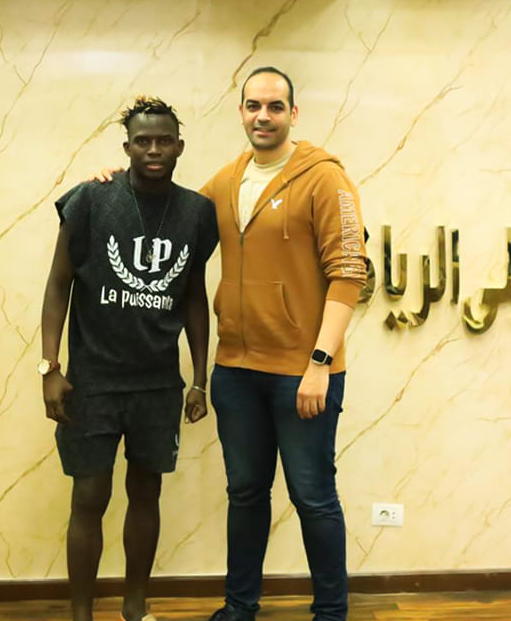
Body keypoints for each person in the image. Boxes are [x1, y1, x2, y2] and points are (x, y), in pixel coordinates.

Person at [41, 96, 218, 621]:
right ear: (127, 148)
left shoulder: (197, 212)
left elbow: (194, 297)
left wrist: (199, 379)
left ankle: (135, 606)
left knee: (146, 494)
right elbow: (57, 285)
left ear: (180, 146)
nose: (154, 149)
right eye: (143, 141)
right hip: (92, 382)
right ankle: (81, 613)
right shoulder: (91, 199)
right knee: (88, 497)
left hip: (157, 385)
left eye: (164, 140)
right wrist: (50, 368)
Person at [203, 67, 367, 621]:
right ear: (241, 112)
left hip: (303, 373)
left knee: (312, 496)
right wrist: (115, 180)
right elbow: (173, 215)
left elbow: (349, 272)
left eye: (275, 107)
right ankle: (239, 607)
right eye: (253, 106)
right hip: (235, 371)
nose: (263, 116)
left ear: (293, 114)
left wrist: (320, 362)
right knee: (246, 495)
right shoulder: (228, 180)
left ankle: (331, 613)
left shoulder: (325, 178)